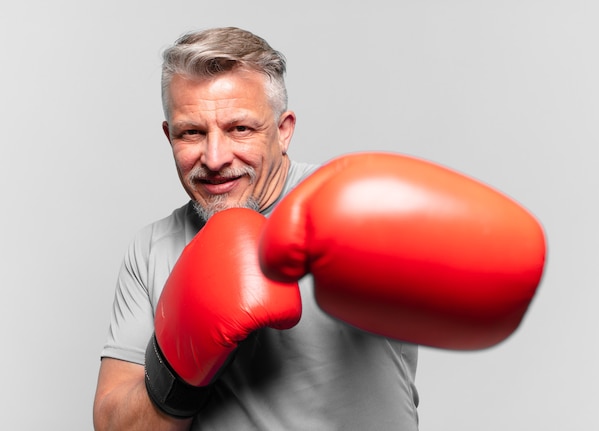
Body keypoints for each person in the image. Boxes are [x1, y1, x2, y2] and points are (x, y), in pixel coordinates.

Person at [93, 27, 421, 431]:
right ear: (168, 135)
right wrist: (180, 368)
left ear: (283, 130)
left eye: (240, 129)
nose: (214, 158)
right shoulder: (151, 249)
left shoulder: (354, 206)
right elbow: (115, 427)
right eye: (191, 133)